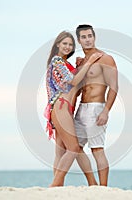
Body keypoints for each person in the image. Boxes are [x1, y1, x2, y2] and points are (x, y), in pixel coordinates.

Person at [44, 31, 102, 187]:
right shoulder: (57, 61)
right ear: (57, 44)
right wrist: (89, 63)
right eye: (64, 43)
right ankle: (55, 184)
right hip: (61, 106)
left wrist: (80, 66)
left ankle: (91, 183)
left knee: (61, 150)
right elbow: (74, 80)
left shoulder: (65, 64)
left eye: (70, 45)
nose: (67, 47)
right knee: (74, 148)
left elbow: (77, 80)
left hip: (65, 108)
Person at [74, 25, 118, 186]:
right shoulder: (82, 61)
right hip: (81, 107)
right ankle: (93, 185)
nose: (87, 40)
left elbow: (114, 87)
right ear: (79, 40)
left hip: (96, 107)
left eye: (89, 36)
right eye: (83, 37)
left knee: (97, 149)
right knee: (75, 147)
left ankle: (104, 188)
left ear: (94, 37)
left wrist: (106, 110)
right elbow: (77, 89)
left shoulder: (105, 58)